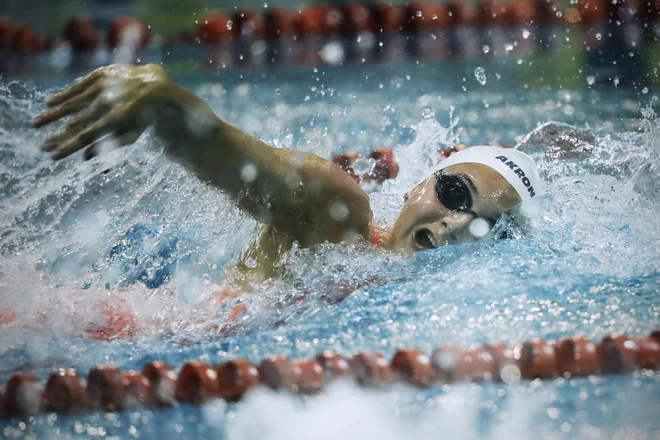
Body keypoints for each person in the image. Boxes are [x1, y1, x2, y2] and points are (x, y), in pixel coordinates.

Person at [32, 64, 541, 299]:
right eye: (455, 193)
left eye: (486, 226)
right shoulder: (340, 216)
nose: (456, 222)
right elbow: (250, 165)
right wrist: (170, 106)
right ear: (416, 187)